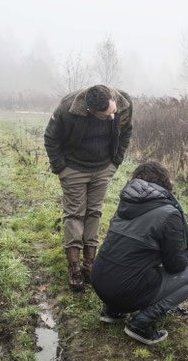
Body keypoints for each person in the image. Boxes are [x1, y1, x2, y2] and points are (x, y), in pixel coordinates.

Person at [91, 161, 188, 345]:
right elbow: (176, 265)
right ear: (163, 181)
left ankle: (112, 310)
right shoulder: (169, 213)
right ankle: (142, 323)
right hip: (123, 289)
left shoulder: (127, 203)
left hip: (99, 281)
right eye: (170, 178)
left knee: (131, 260)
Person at [44, 84, 133, 291]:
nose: (111, 118)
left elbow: (126, 132)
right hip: (73, 168)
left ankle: (90, 264)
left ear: (112, 99)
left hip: (103, 168)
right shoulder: (67, 108)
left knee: (94, 212)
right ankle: (74, 267)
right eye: (105, 116)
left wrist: (115, 163)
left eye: (112, 112)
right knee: (75, 214)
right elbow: (51, 138)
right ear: (89, 111)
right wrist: (61, 169)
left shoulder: (124, 103)